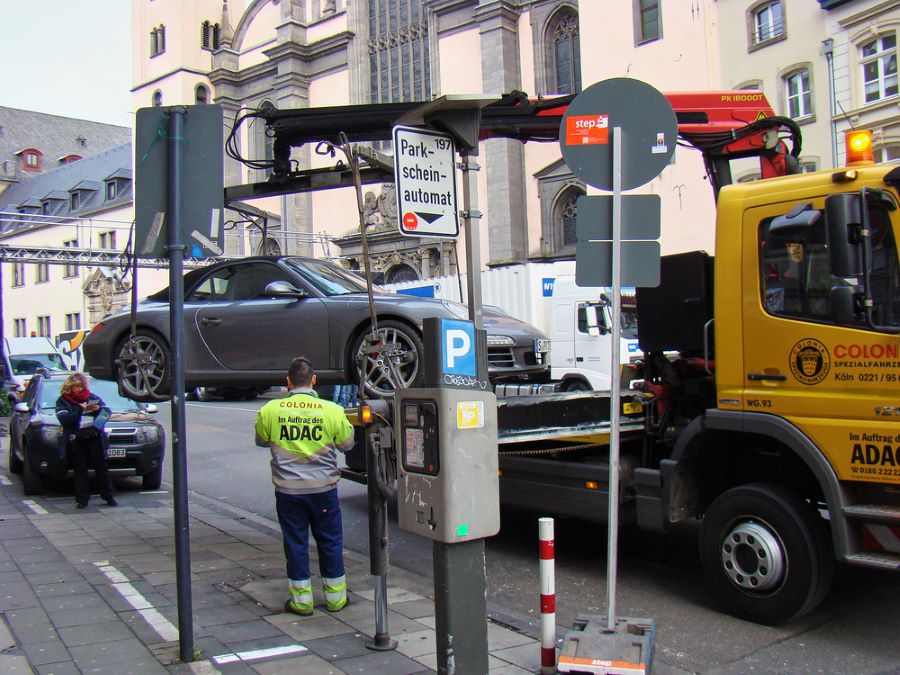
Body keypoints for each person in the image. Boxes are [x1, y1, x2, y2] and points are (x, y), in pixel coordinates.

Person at [254, 356, 355, 616]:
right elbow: (347, 444)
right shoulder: (332, 410)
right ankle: (336, 599)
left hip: (288, 492)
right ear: (314, 380)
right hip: (323, 490)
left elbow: (261, 440)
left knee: (295, 543)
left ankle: (301, 602)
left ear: (287, 382)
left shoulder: (270, 410)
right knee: (330, 542)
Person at [55, 373, 116, 509]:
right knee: (80, 468)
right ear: (70, 387)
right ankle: (82, 499)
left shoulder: (91, 397)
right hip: (76, 438)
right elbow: (65, 420)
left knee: (101, 467)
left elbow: (107, 412)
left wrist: (98, 412)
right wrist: (79, 410)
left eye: (82, 386)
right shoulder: (63, 401)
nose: (80, 389)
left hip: (93, 436)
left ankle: (108, 495)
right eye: (77, 386)